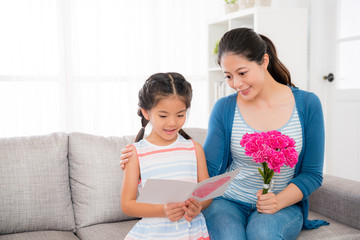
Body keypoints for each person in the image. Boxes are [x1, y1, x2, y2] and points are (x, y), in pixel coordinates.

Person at [121, 27, 328, 239]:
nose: (236, 84)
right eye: (228, 76)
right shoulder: (224, 108)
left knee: (263, 234)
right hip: (227, 201)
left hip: (281, 204)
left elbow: (312, 174)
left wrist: (278, 201)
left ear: (264, 61)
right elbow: (209, 168)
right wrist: (143, 157)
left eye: (242, 73)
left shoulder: (307, 104)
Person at [121, 72, 211, 240]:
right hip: (154, 234)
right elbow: (127, 205)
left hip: (192, 232)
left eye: (180, 115)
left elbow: (205, 195)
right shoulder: (135, 153)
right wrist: (162, 211)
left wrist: (197, 206)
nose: (172, 122)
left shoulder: (194, 149)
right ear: (146, 113)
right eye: (163, 115)